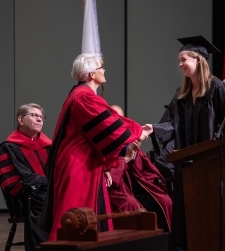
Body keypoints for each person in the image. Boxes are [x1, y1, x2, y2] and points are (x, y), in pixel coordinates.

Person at [145, 36, 225, 251]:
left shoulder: (216, 88)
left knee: (207, 215)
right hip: (186, 166)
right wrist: (154, 128)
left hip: (210, 165)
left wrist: (216, 148)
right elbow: (169, 123)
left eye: (184, 59)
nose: (180, 64)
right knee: (184, 215)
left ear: (198, 60)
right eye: (179, 60)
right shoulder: (182, 94)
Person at [40, 53, 151, 241]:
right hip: (78, 166)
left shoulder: (78, 95)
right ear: (91, 74)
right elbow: (110, 126)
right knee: (74, 218)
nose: (104, 70)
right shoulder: (84, 98)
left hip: (86, 163)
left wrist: (109, 164)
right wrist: (137, 130)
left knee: (85, 218)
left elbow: (97, 135)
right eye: (101, 68)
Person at [108, 105, 172, 232]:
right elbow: (111, 180)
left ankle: (166, 243)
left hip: (136, 186)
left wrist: (135, 152)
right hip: (117, 190)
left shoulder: (128, 140)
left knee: (165, 201)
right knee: (130, 204)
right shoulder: (105, 143)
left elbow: (147, 172)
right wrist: (125, 159)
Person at [0, 103, 51, 251]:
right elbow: (20, 181)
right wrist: (50, 181)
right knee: (47, 201)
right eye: (34, 115)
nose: (39, 119)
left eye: (41, 117)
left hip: (45, 193)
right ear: (21, 120)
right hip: (26, 200)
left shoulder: (48, 146)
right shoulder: (9, 147)